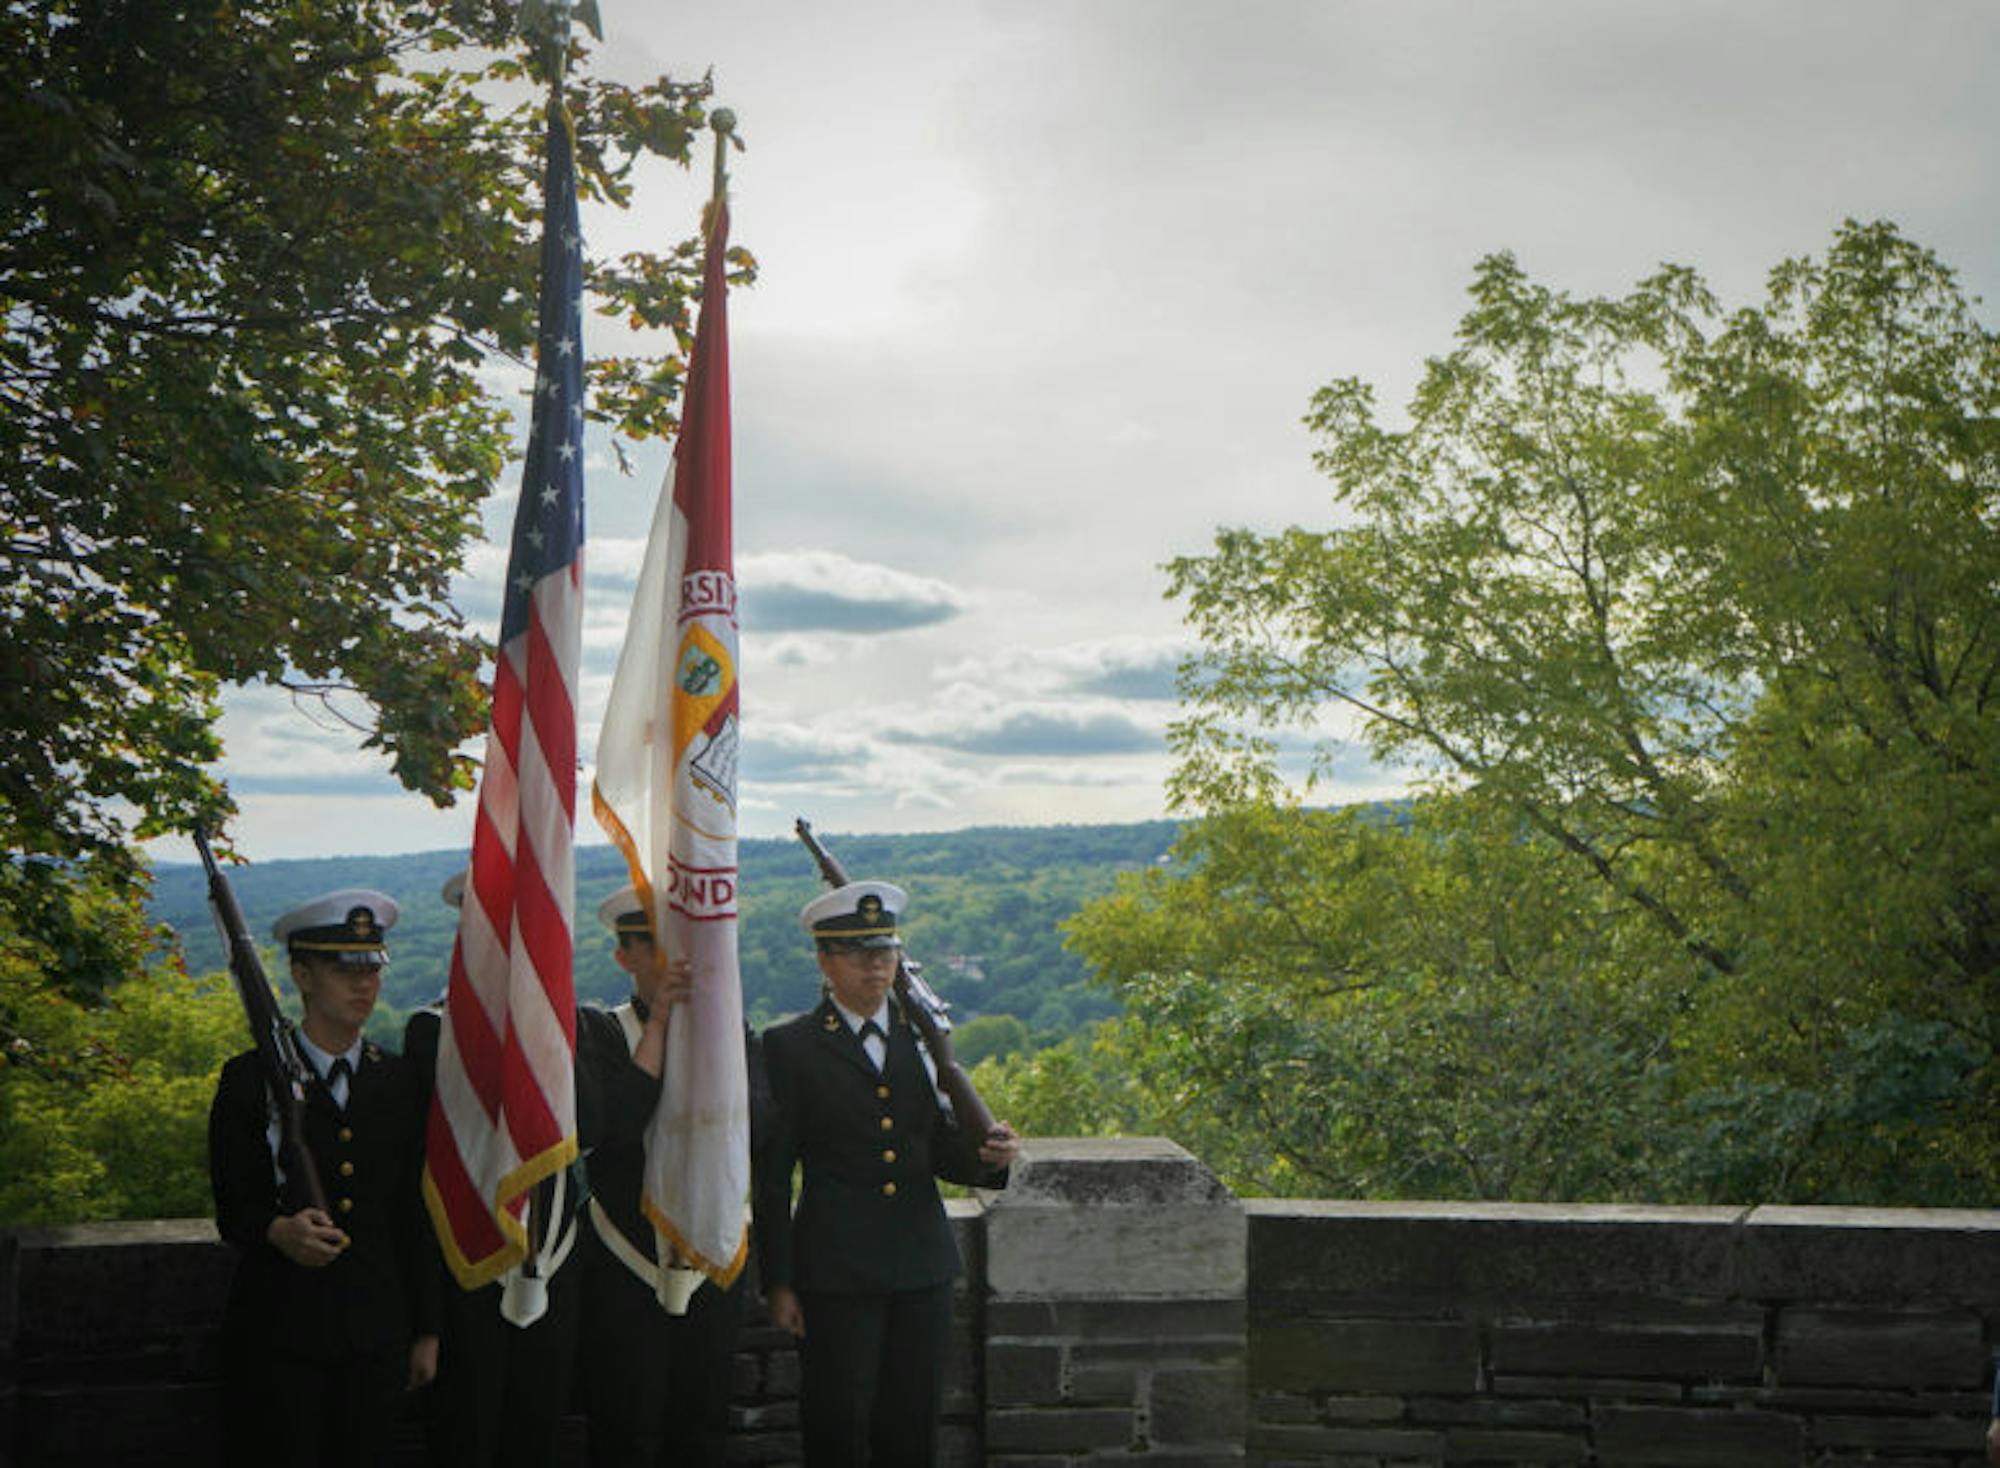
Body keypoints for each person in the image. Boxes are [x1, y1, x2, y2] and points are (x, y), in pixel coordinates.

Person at [756, 880, 1021, 1467]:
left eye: (885, 952)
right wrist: (779, 1281)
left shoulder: (920, 1041)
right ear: (825, 961)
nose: (875, 967)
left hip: (920, 1265)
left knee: (912, 1424)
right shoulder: (789, 1046)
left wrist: (989, 1158)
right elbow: (773, 1176)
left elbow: (933, 1150)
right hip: (835, 1268)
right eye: (856, 953)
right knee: (837, 1423)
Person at [404, 873, 660, 1468]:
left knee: (536, 1434)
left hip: (552, 1261)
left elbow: (597, 1125)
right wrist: (424, 1319)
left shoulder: (569, 1026)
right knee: (466, 1435)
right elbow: (417, 1181)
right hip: (469, 1271)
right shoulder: (435, 1031)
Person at [207, 888, 438, 1468]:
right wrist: (279, 1230)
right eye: (343, 968)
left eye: (371, 968)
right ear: (301, 975)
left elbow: (414, 1211)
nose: (364, 984)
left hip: (376, 1332)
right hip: (281, 1332)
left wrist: (427, 1329)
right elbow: (234, 1207)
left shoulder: (400, 1080)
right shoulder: (249, 1080)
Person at [575, 885, 768, 1468]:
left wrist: (713, 1040)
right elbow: (613, 1130)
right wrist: (658, 1027)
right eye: (654, 949)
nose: (672, 964)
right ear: (624, 957)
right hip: (625, 1257)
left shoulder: (730, 1033)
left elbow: (760, 1126)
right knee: (622, 1421)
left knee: (702, 1421)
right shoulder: (602, 1032)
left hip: (709, 1252)